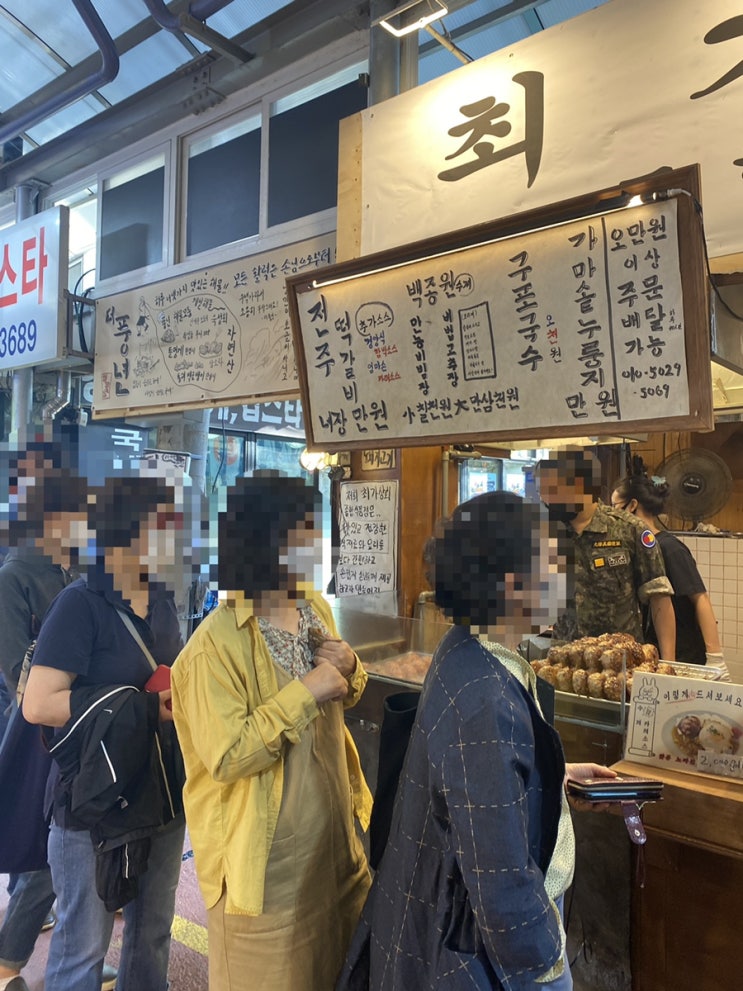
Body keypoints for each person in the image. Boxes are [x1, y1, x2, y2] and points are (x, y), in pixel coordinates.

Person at [337, 490, 617, 991]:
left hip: (432, 919)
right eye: (553, 566)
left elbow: (475, 785)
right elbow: (501, 880)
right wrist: (546, 966)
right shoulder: (486, 697)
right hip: (470, 952)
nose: (564, 582)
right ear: (513, 584)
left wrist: (552, 777)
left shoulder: (466, 647)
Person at [171, 472, 372, 991]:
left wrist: (351, 666)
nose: (316, 544)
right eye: (303, 533)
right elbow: (229, 754)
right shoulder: (212, 647)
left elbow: (344, 691)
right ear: (262, 542)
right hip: (265, 877)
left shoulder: (314, 607)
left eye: (316, 530)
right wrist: (306, 691)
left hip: (336, 852)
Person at [22, 474, 190, 991]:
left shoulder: (160, 599)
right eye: (163, 527)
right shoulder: (81, 603)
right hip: (92, 806)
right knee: (82, 951)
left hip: (161, 794)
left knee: (152, 937)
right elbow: (38, 703)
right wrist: (140, 708)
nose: (175, 540)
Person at [0, 444, 118, 991]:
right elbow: (18, 679)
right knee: (44, 855)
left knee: (52, 856)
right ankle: (7, 964)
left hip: (73, 733)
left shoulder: (74, 568)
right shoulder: (17, 572)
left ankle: (68, 956)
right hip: (35, 736)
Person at [536, 450, 676, 660]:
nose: (546, 499)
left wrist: (668, 664)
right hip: (565, 662)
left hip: (621, 662)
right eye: (542, 491)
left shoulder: (630, 530)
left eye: (554, 491)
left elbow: (659, 599)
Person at [611, 474, 725, 668]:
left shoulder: (670, 548)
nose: (612, 516)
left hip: (684, 655)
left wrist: (716, 658)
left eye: (615, 507)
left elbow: (700, 598)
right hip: (652, 651)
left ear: (632, 506)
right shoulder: (635, 548)